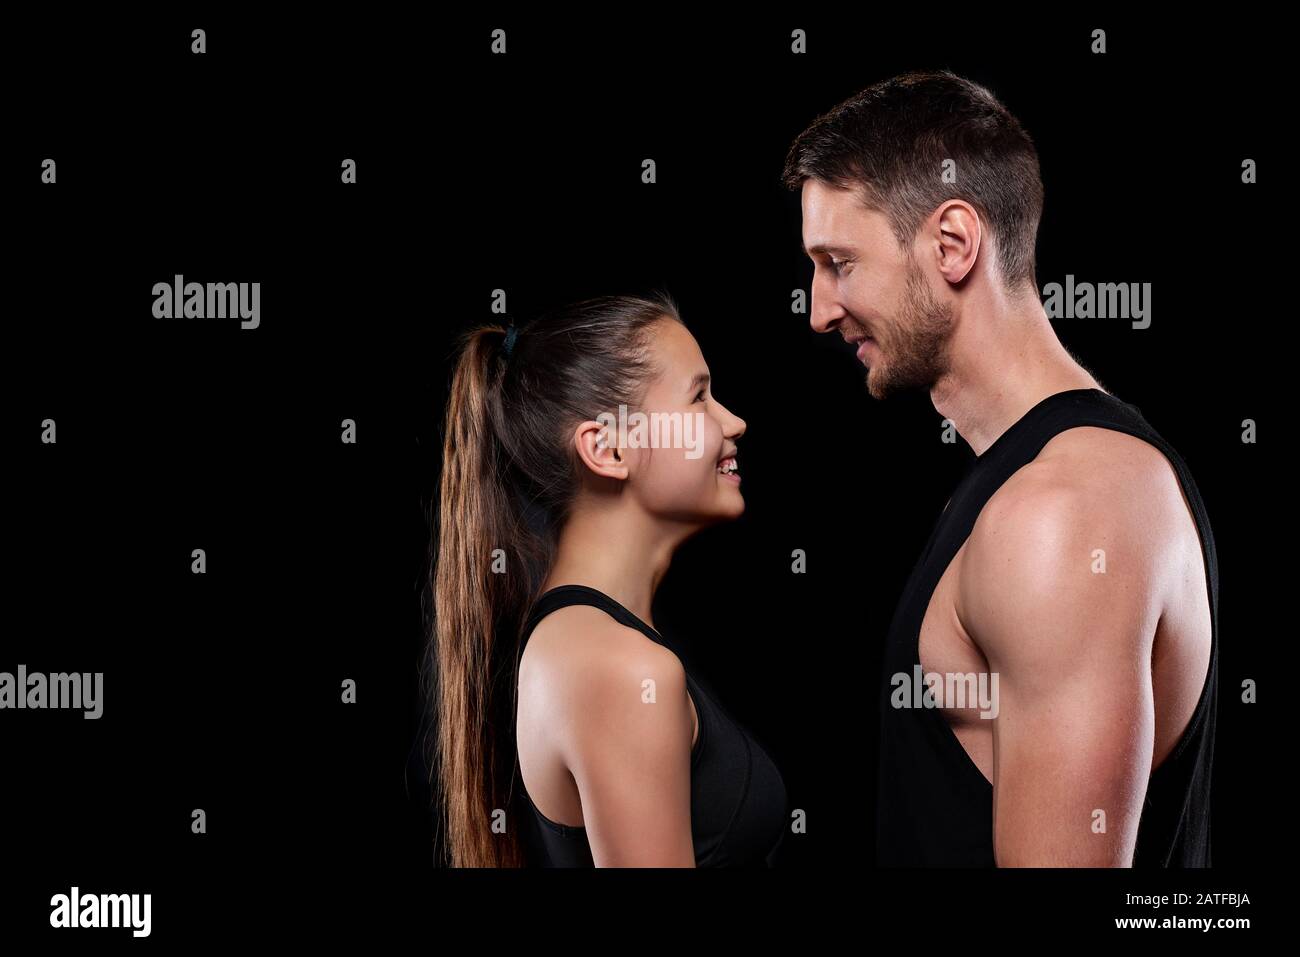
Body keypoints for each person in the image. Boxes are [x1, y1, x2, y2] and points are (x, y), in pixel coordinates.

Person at [783, 70, 1218, 866]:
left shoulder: (1065, 508)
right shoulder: (1033, 481)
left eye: (839, 262)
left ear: (952, 244)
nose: (818, 309)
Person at [428, 292, 788, 867]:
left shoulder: (592, 646)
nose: (733, 421)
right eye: (698, 398)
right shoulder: (617, 668)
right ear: (608, 448)